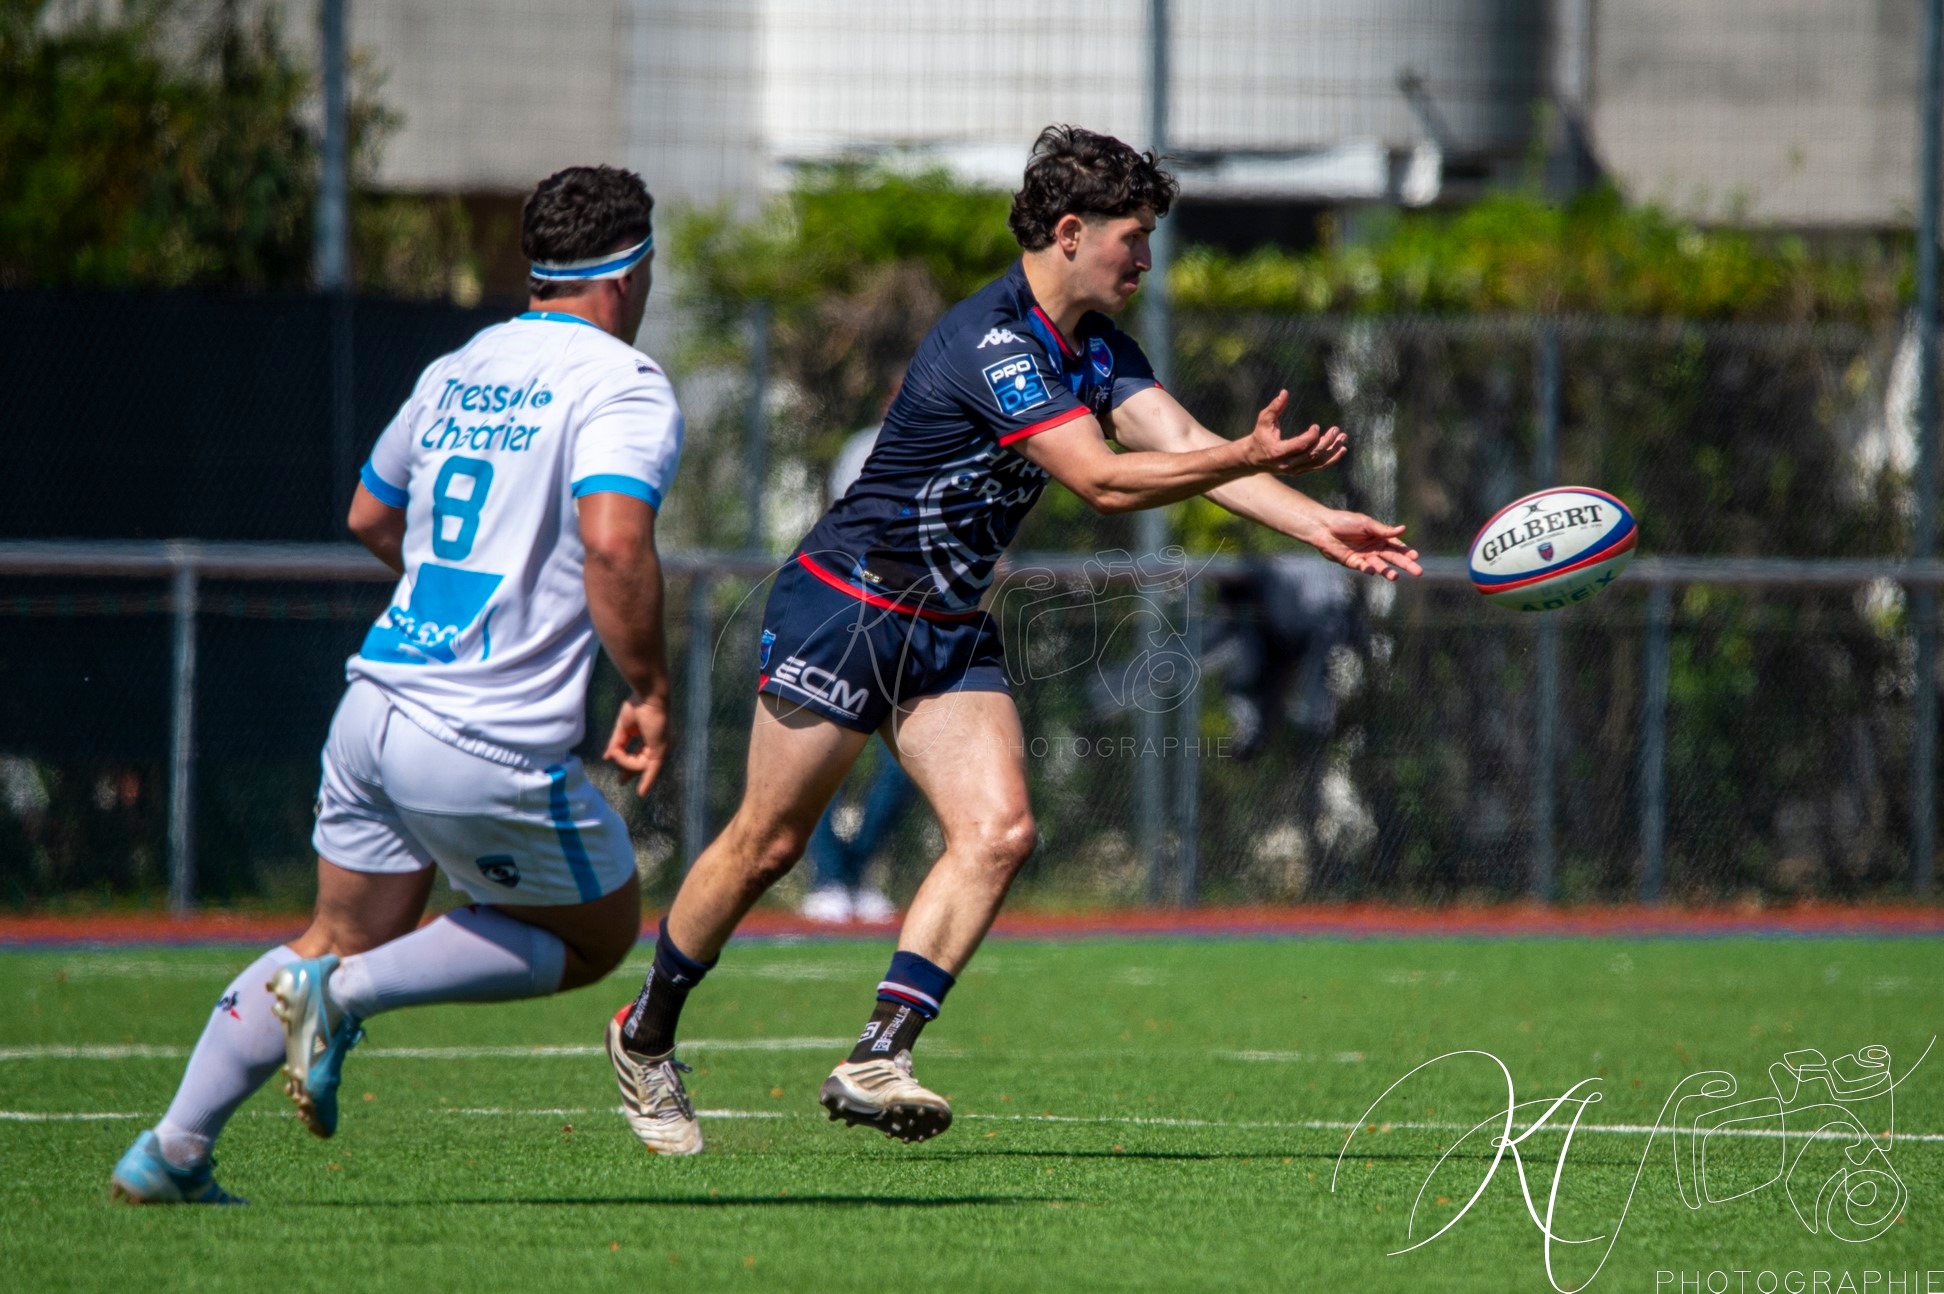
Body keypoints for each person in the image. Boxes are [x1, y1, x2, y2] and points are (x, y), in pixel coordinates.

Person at [605, 124, 1421, 1154]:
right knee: (769, 844)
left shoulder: (1099, 349)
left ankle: (878, 1052)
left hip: (945, 627)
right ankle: (645, 1032)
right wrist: (1245, 457)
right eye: (1134, 238)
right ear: (1071, 233)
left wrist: (1319, 523)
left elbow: (1180, 445)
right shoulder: (993, 340)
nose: (1146, 259)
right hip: (846, 603)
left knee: (998, 832)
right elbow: (1105, 479)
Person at [110, 164, 684, 1202]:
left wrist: (460, 598)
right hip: (481, 738)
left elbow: (372, 517)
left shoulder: (460, 365)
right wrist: (647, 686)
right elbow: (614, 543)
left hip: (374, 704)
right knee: (599, 933)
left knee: (331, 931)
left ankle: (172, 1149)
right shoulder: (621, 382)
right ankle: (345, 997)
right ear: (632, 274)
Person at [799, 421, 916, 924]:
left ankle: (858, 869)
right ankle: (829, 877)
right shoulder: (867, 445)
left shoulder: (979, 441)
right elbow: (852, 523)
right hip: (853, 612)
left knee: (909, 758)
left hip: (921, 623)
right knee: (823, 754)